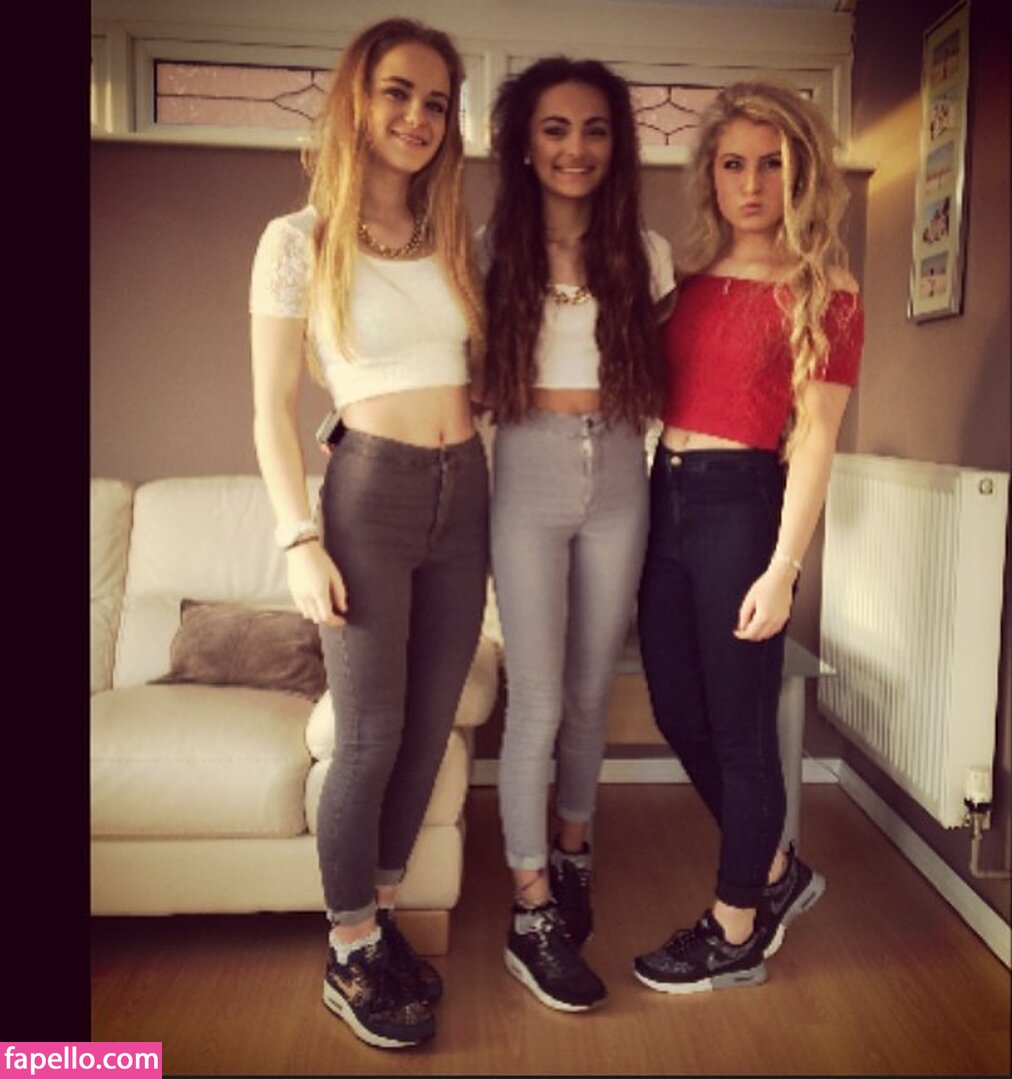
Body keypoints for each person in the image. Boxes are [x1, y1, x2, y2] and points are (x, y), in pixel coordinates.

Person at [248, 18, 489, 1049]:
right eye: (398, 92)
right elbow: (270, 409)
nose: (418, 117)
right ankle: (348, 950)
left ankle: (378, 920)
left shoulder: (457, 240)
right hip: (369, 499)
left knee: (429, 728)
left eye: (436, 101)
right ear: (357, 99)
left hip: (465, 492)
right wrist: (297, 537)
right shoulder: (296, 240)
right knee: (370, 735)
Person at [632, 80, 864, 994]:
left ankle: (737, 928)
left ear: (800, 177)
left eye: (773, 165)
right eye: (734, 164)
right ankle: (774, 870)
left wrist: (783, 567)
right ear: (711, 176)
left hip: (742, 505)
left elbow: (817, 441)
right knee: (676, 708)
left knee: (740, 725)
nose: (753, 183)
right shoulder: (681, 284)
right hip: (664, 498)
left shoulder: (826, 290)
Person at [478, 57, 675, 1013]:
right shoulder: (489, 251)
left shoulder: (647, 252)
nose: (575, 147)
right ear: (525, 142)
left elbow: (672, 371)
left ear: (616, 144)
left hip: (622, 473)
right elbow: (447, 366)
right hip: (528, 469)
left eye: (595, 128)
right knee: (540, 697)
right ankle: (530, 907)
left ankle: (572, 848)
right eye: (555, 128)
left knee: (595, 691)